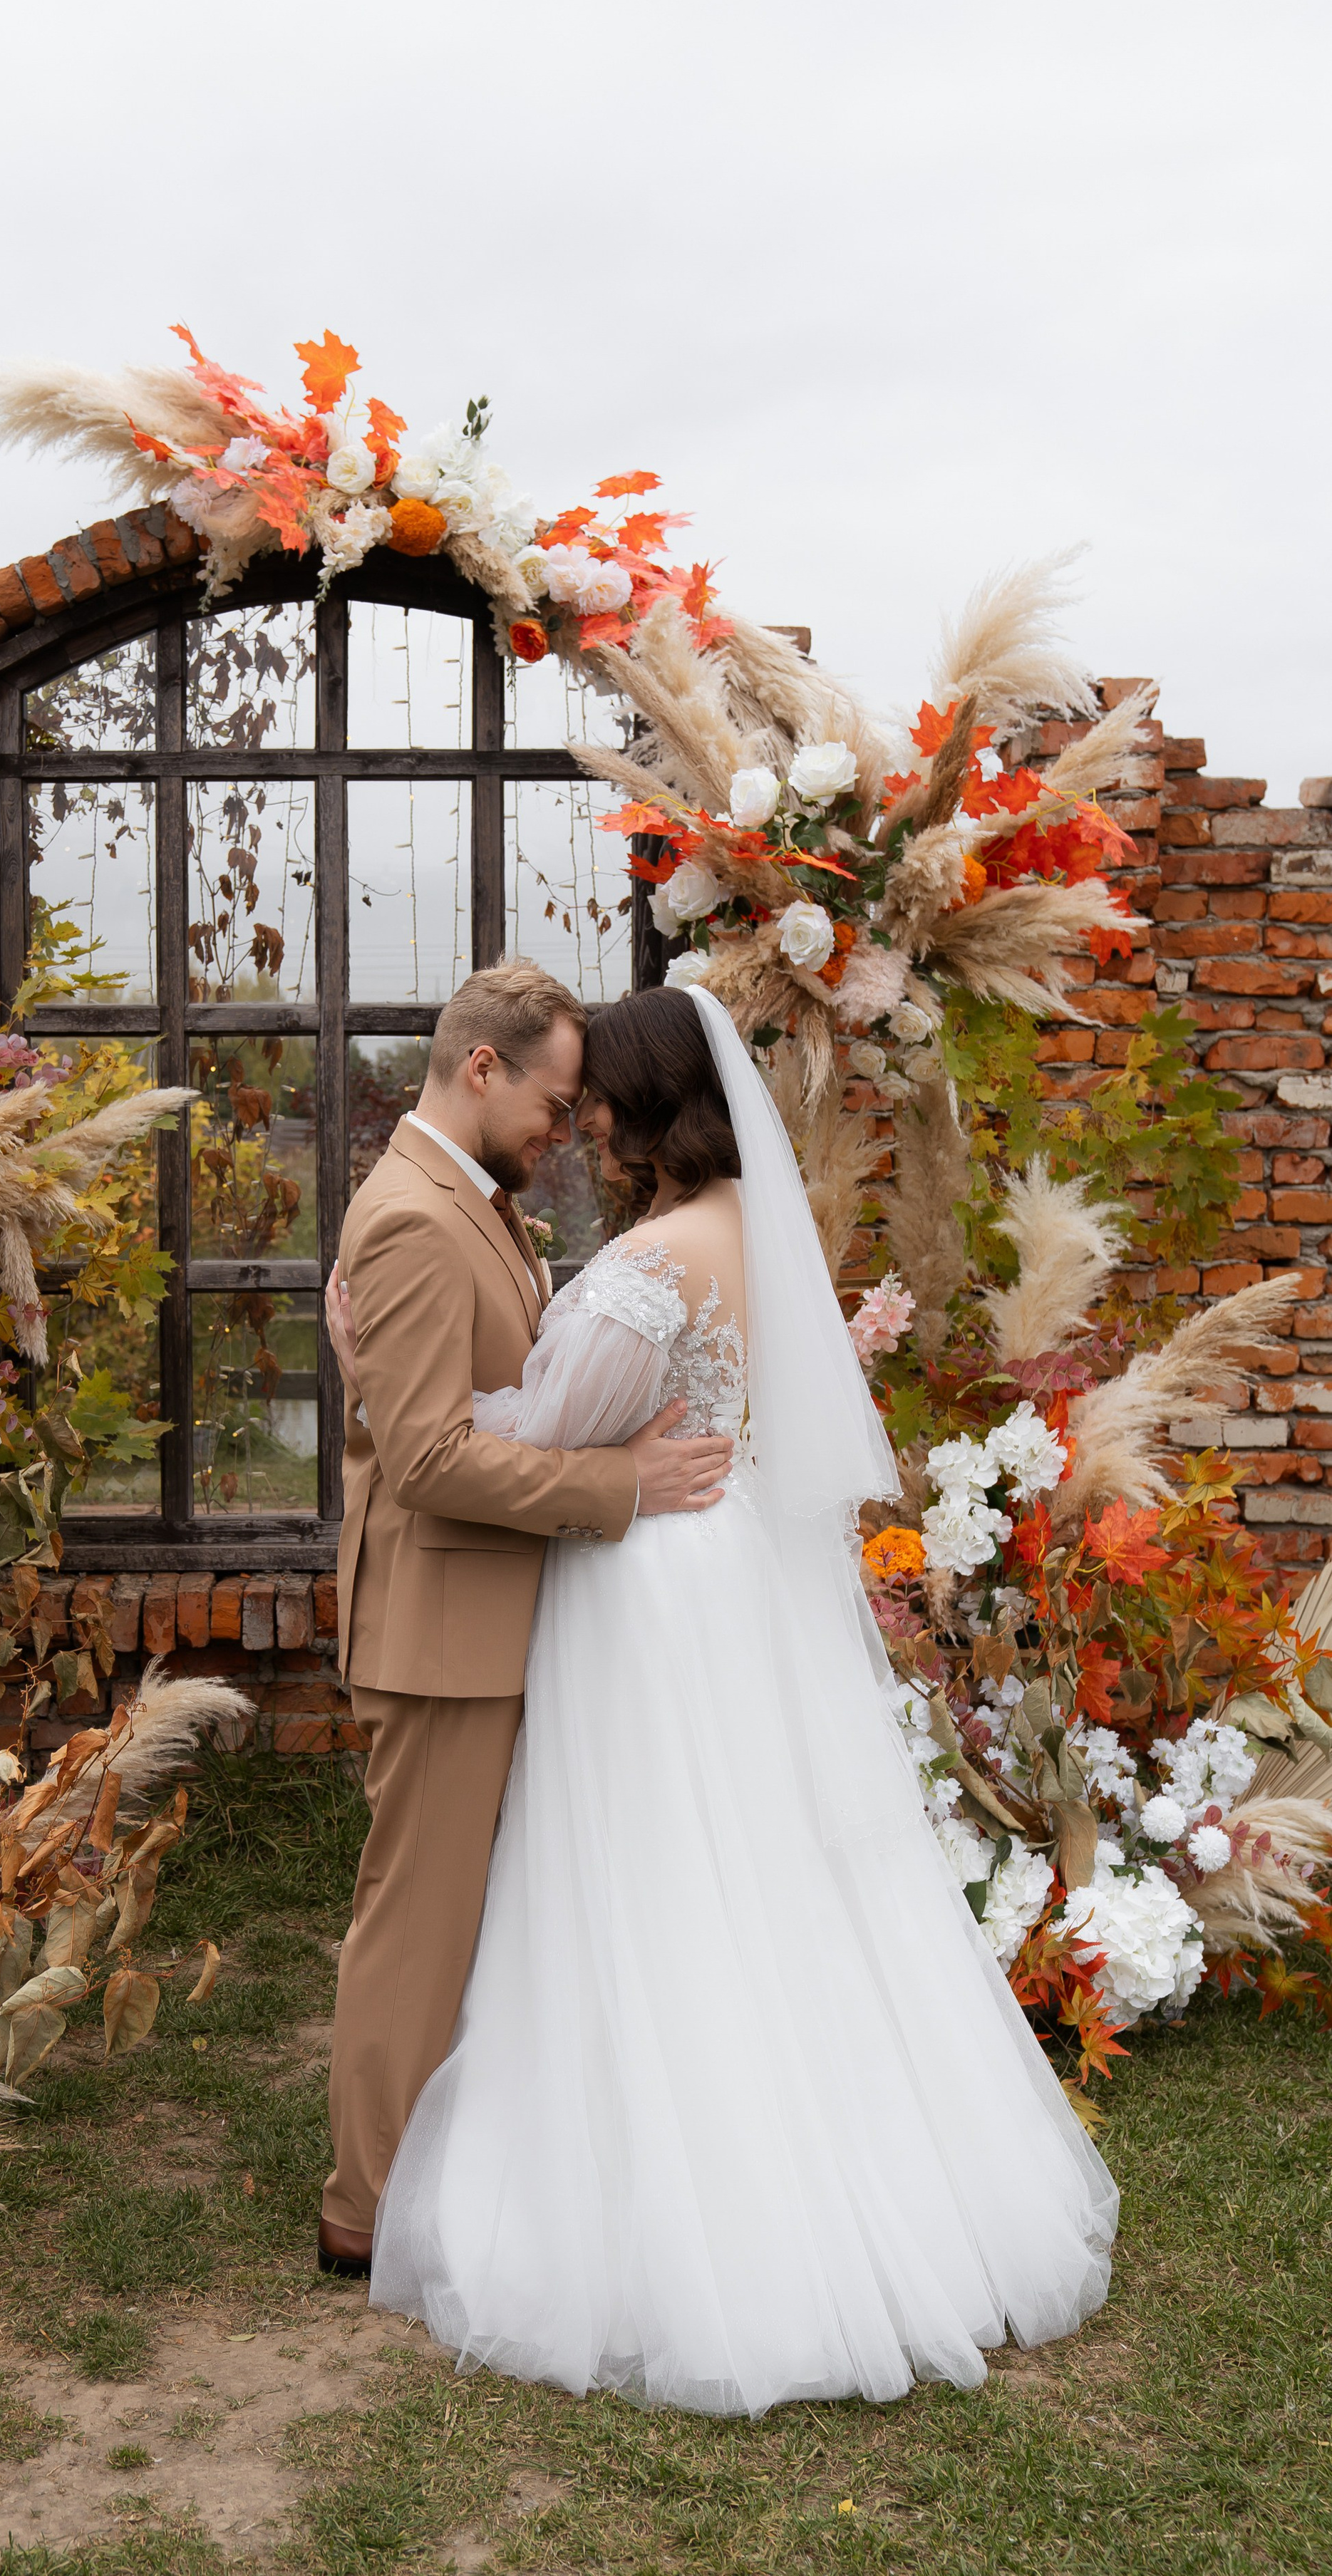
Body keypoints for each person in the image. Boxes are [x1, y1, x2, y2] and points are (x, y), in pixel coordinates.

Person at [326, 983, 1118, 2412]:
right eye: (559, 1104)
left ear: (645, 1107)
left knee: (638, 1882)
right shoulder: (755, 1232)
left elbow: (514, 1428)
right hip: (724, 1583)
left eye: (595, 1104)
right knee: (740, 1873)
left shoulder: (646, 1264)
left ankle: (639, 2182)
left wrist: (368, 1378)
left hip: (647, 1588)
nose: (580, 1128)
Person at [319, 962, 736, 2280]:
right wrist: (623, 1485)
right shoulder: (412, 1217)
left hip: (496, 1609)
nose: (571, 1130)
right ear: (481, 1069)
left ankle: (445, 2167)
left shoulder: (471, 1204)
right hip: (444, 1624)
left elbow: (442, 1403)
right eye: (555, 1103)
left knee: (476, 1919)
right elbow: (433, 1460)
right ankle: (364, 2208)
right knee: (420, 1919)